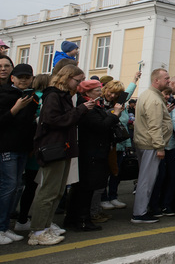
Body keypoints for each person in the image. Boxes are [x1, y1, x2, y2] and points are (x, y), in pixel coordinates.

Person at [29, 65, 94, 246]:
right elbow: (53, 120)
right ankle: (38, 230)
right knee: (48, 191)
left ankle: (45, 225)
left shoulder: (62, 96)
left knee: (57, 191)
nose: (79, 84)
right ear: (67, 78)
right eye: (77, 80)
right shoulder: (54, 96)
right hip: (55, 147)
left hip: (63, 147)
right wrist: (80, 110)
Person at [64, 80, 122, 232]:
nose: (100, 93)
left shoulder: (93, 105)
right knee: (86, 188)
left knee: (83, 187)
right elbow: (100, 126)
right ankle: (82, 219)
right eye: (97, 90)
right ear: (87, 92)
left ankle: (74, 218)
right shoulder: (87, 107)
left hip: (93, 151)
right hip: (91, 152)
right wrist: (115, 114)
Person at [0, 64, 38, 243]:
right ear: (12, 78)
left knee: (15, 188)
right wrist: (16, 108)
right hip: (7, 148)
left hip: (22, 149)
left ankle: (5, 226)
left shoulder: (30, 97)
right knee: (8, 187)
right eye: (20, 77)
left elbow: (28, 125)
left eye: (27, 77)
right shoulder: (5, 94)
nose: (23, 80)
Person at [131, 68, 172, 224]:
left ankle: (141, 210)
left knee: (145, 178)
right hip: (150, 145)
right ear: (157, 80)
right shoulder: (154, 100)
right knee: (146, 179)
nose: (168, 81)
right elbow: (154, 126)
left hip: (146, 143)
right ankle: (139, 213)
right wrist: (160, 147)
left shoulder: (147, 95)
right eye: (166, 78)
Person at [100, 71, 141, 210]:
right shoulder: (101, 104)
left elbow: (128, 93)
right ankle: (103, 198)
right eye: (111, 92)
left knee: (116, 172)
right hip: (107, 144)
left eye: (116, 94)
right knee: (105, 172)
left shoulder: (120, 102)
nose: (113, 96)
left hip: (120, 144)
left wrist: (135, 79)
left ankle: (113, 196)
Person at [14, 74, 50, 232]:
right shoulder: (40, 98)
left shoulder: (31, 96)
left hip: (29, 146)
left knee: (22, 185)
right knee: (32, 185)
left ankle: (19, 216)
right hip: (36, 147)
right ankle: (23, 219)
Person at [148, 79, 175, 217]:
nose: (167, 97)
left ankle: (167, 204)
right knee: (160, 176)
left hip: (172, 145)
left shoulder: (171, 106)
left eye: (169, 95)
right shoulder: (156, 104)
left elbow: (174, 121)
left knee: (174, 176)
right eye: (165, 94)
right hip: (159, 146)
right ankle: (154, 205)